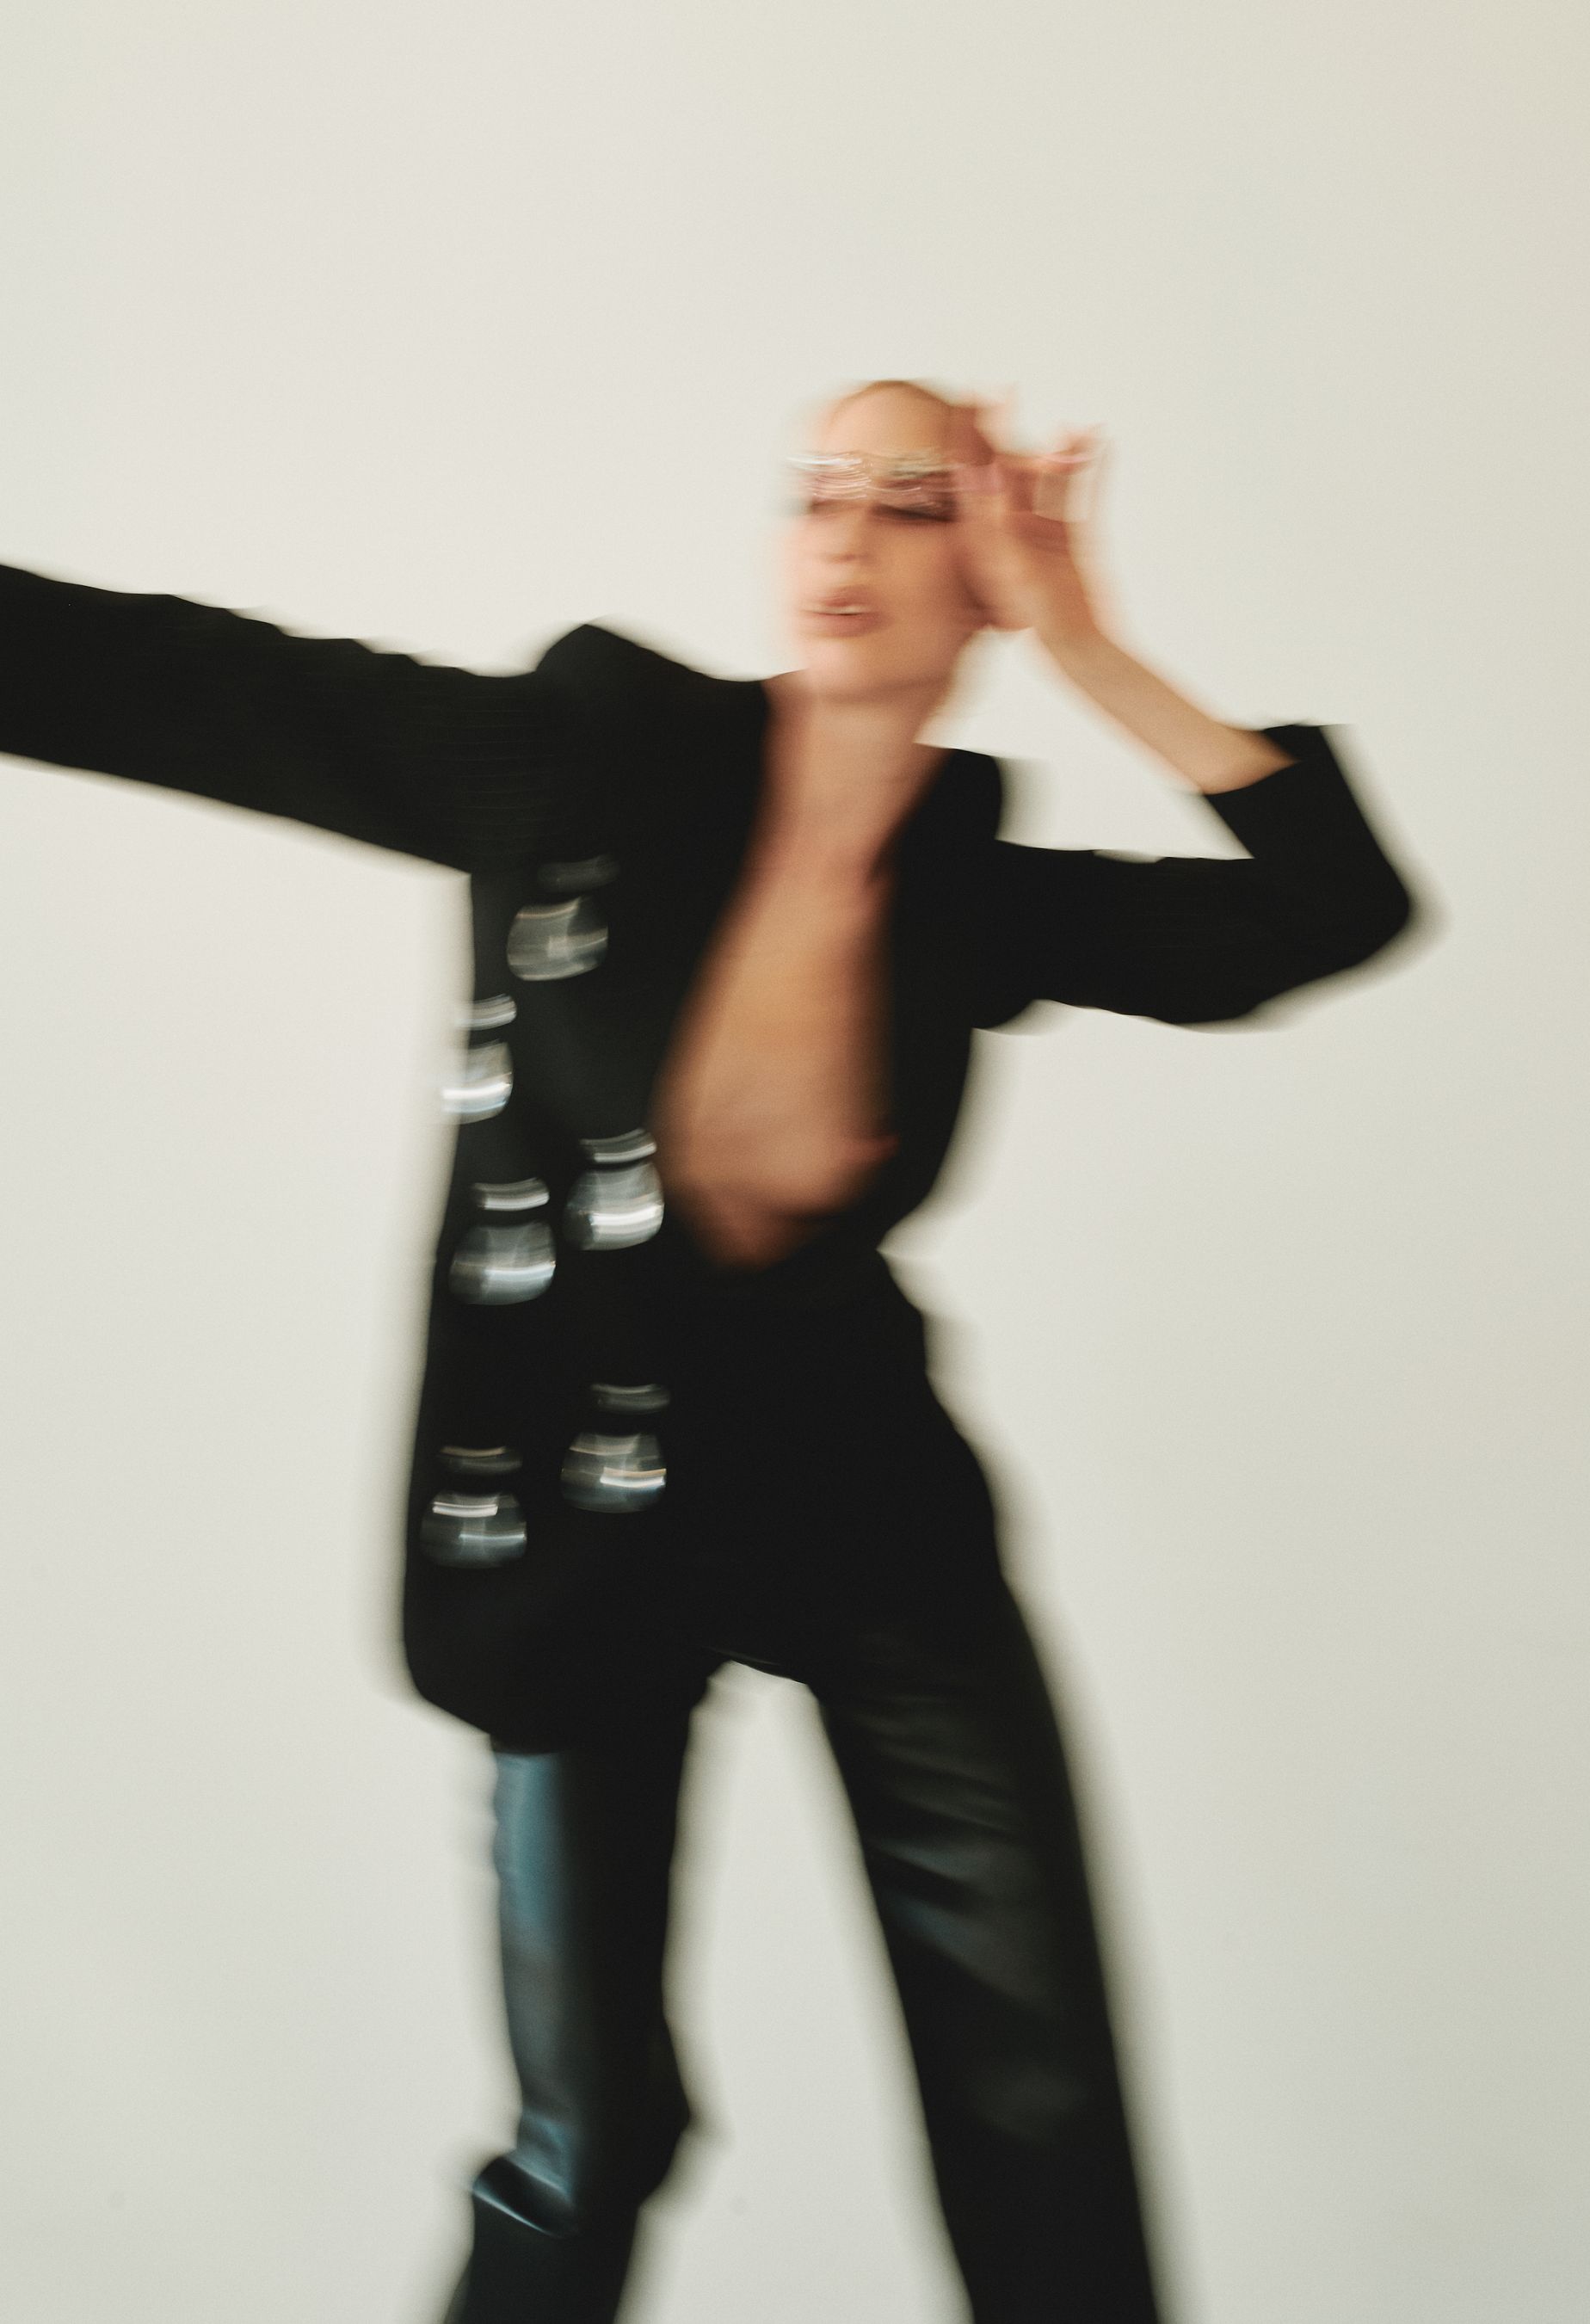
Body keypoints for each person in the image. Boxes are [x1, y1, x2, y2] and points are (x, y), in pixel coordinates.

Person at [0, 377, 1418, 2323]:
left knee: (1039, 2100)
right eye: (818, 492)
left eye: (911, 504)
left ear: (984, 572)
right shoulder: (582, 762)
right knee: (593, 2133)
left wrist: (1089, 641)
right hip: (581, 1520)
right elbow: (178, 682)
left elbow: (1330, 908)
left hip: (867, 1503)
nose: (848, 537)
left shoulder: (971, 886)